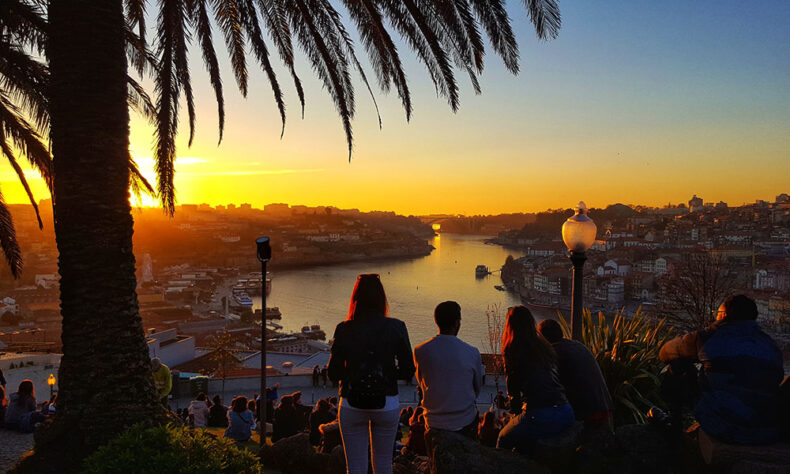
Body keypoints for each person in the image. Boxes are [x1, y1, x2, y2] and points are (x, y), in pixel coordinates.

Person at [659, 295, 784, 445]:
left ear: (724, 316)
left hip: (722, 425)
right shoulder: (771, 346)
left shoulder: (708, 338)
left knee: (677, 364)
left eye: (717, 313)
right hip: (765, 430)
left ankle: (674, 425)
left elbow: (665, 353)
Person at [328, 274, 415, 474]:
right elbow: (409, 369)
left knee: (355, 467)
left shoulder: (343, 329)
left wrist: (354, 370)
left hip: (351, 401)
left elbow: (334, 372)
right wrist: (387, 372)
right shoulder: (397, 327)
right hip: (386, 401)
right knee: (384, 465)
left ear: (355, 298)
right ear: (381, 298)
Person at [496, 306, 574, 454]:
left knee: (503, 438)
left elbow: (514, 394)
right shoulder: (544, 347)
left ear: (509, 326)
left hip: (540, 415)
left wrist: (513, 414)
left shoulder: (513, 350)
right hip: (566, 411)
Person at [413, 301, 483, 441]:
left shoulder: (420, 351)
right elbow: (477, 388)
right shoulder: (472, 352)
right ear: (457, 323)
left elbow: (422, 383)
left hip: (433, 420)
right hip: (464, 420)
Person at [538, 319, 613, 432]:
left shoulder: (554, 353)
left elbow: (549, 388)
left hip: (586, 414)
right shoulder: (578, 346)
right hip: (605, 408)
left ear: (543, 338)